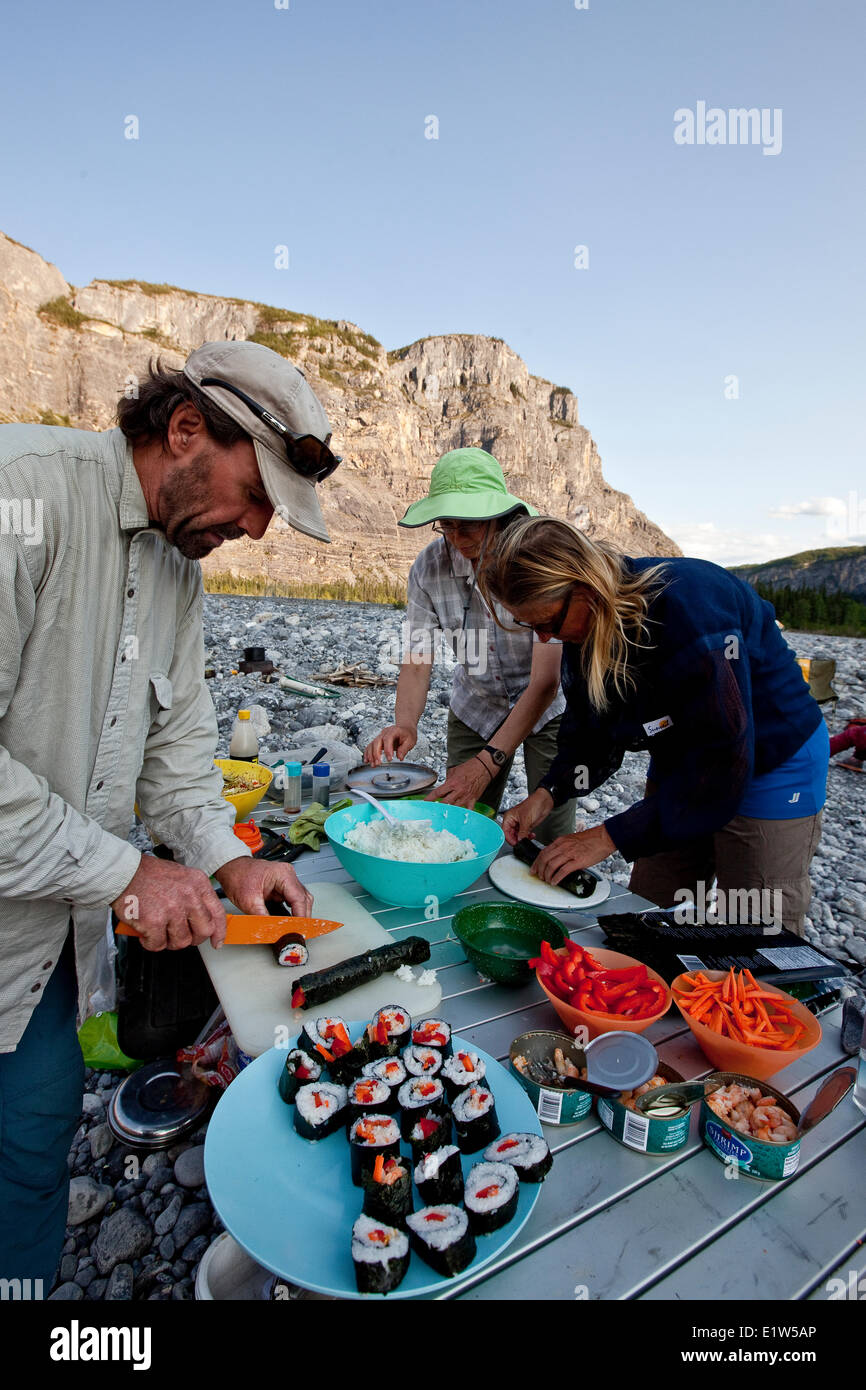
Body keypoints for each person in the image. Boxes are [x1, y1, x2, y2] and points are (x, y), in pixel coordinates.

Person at [0, 339, 338, 1287]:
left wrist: (229, 858)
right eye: (257, 494)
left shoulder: (178, 578)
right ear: (186, 428)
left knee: (31, 1152)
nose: (262, 529)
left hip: (42, 941)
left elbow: (181, 764)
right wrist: (127, 873)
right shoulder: (22, 493)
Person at [485, 517, 829, 934]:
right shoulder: (583, 629)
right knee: (653, 909)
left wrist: (608, 836)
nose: (543, 639)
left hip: (771, 762)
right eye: (529, 626)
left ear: (587, 591)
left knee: (754, 923)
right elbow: (590, 732)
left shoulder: (691, 616)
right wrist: (547, 793)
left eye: (547, 624)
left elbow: (722, 765)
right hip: (683, 755)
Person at [364, 449, 575, 839]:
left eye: (469, 526)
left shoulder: (535, 560)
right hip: (475, 705)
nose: (457, 539)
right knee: (459, 820)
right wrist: (406, 724)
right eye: (447, 526)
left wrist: (487, 763)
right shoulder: (429, 568)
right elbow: (417, 657)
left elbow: (545, 682)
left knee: (549, 830)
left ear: (498, 518)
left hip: (547, 710)